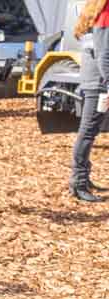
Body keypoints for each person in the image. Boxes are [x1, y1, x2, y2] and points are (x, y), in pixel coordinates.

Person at [70, 0, 109, 202]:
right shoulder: (106, 13)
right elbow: (105, 56)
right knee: (87, 132)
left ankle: (83, 179)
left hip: (94, 80)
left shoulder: (94, 12)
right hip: (99, 83)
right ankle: (78, 183)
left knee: (88, 132)